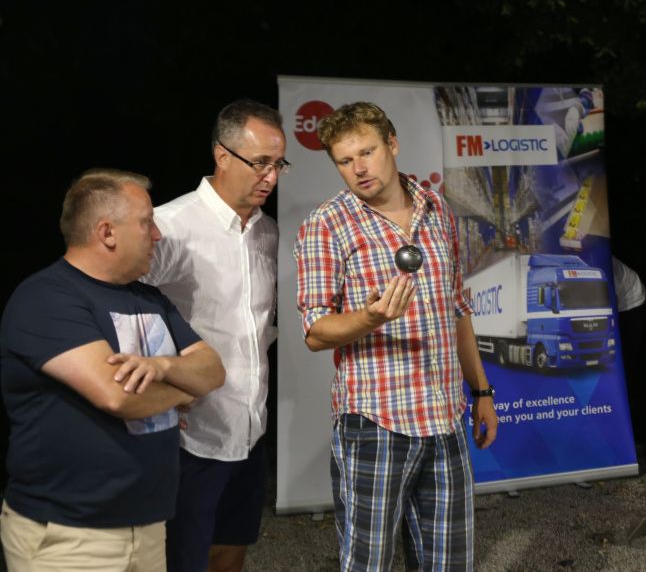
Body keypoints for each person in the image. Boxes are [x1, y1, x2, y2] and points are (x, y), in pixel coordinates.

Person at [294, 101, 498, 571]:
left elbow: (457, 309)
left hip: (445, 419)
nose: (358, 169)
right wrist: (369, 318)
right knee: (368, 564)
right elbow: (315, 331)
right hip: (375, 423)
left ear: (393, 144)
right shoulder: (327, 224)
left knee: (451, 563)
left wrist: (482, 392)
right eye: (345, 161)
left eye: (367, 152)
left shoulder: (437, 209)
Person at [0, 169, 225, 572]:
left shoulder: (151, 299)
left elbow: (212, 369)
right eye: (146, 222)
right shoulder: (46, 298)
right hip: (70, 539)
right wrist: (183, 389)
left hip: (149, 527)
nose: (157, 235)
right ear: (107, 232)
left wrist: (162, 366)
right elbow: (118, 396)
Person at [143, 99, 288, 572]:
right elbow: (122, 312)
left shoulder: (268, 232)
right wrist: (159, 389)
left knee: (231, 549)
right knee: (182, 558)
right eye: (260, 163)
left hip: (249, 427)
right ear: (222, 155)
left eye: (279, 164)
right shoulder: (170, 226)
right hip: (189, 437)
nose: (271, 177)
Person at [612, 256, 646, 446]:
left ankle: (634, 439)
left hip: (629, 304)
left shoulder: (595, 260)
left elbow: (607, 302)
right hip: (609, 300)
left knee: (624, 370)